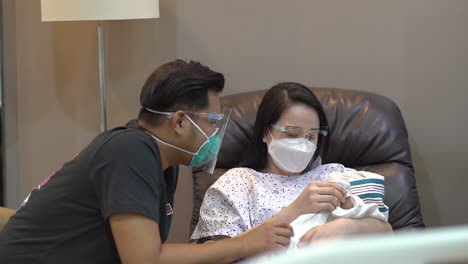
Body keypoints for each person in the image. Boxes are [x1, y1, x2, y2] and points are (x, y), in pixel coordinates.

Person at [0, 60, 294, 264]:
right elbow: (145, 259)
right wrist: (244, 243)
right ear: (179, 121)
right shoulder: (129, 150)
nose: (215, 133)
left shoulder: (160, 160)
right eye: (212, 122)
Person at [191, 82, 392, 248]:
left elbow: (386, 232)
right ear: (265, 133)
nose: (303, 144)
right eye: (292, 134)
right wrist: (297, 209)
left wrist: (346, 229)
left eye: (311, 136)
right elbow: (219, 255)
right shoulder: (237, 184)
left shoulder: (336, 174)